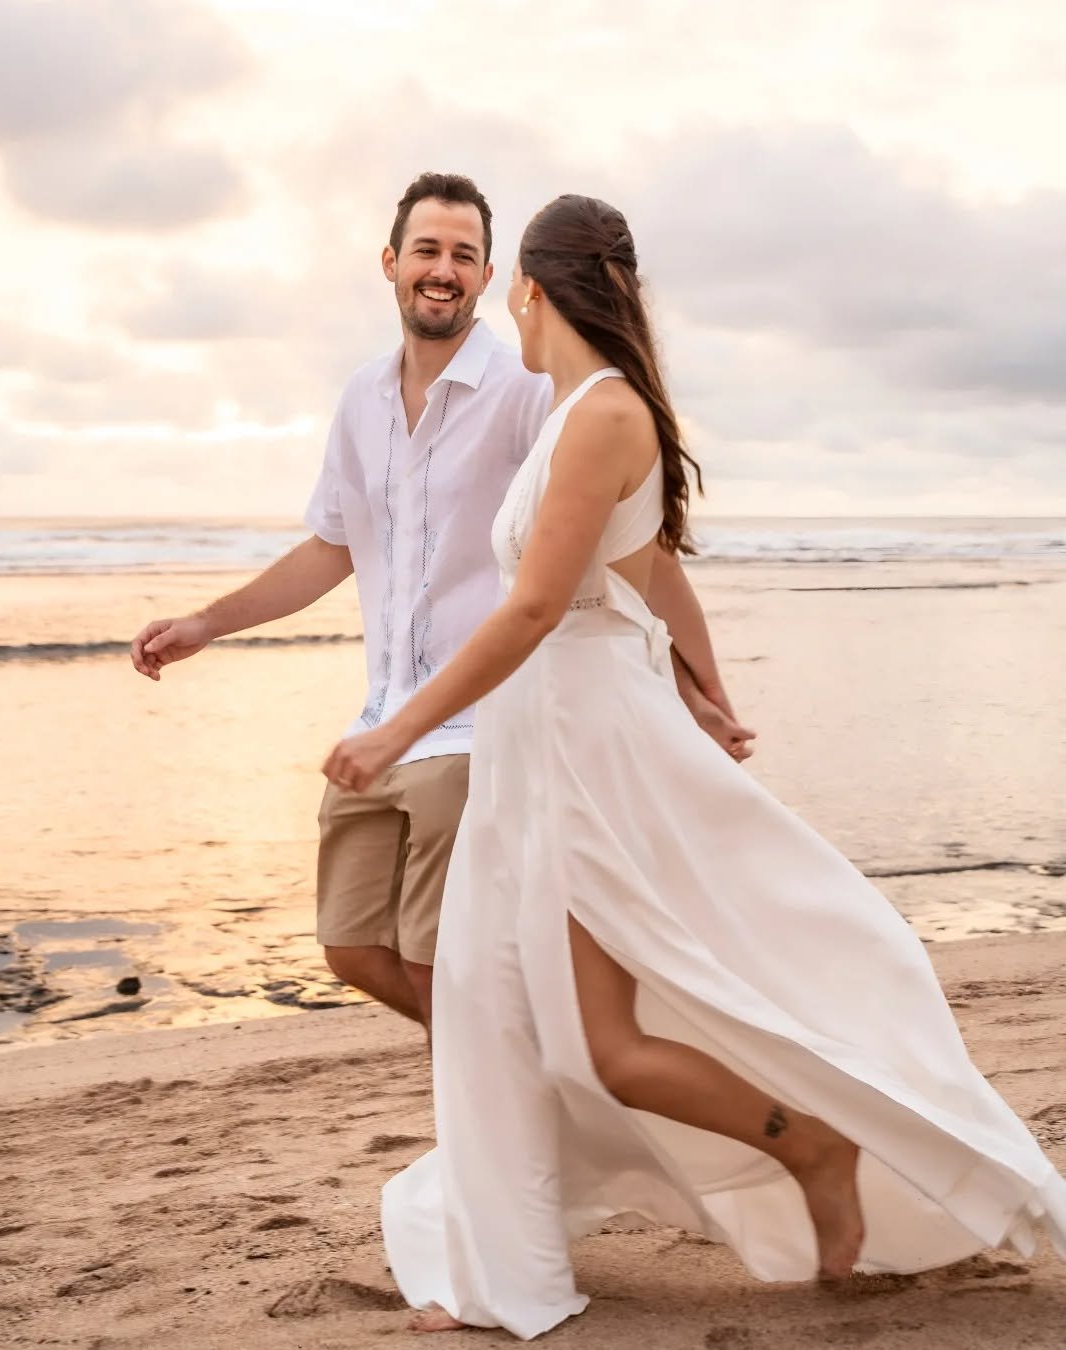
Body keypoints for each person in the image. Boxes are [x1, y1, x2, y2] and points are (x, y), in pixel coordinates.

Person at [324, 194, 1066, 1339]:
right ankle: (507, 1270)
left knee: (597, 1037)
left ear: (526, 288)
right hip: (543, 744)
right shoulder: (582, 409)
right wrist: (707, 690)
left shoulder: (601, 417)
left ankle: (809, 1141)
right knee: (510, 1014)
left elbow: (533, 609)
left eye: (495, 279)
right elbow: (659, 570)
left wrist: (393, 729)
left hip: (578, 748)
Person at [130, 173, 753, 1034]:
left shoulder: (533, 394)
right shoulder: (361, 399)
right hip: (380, 721)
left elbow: (636, 555)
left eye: (465, 255)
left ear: (492, 277)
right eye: (427, 249)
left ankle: (533, 1114)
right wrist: (207, 623)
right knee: (350, 949)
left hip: (477, 733)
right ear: (391, 262)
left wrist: (700, 694)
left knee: (443, 968)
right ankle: (539, 1083)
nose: (443, 269)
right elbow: (334, 547)